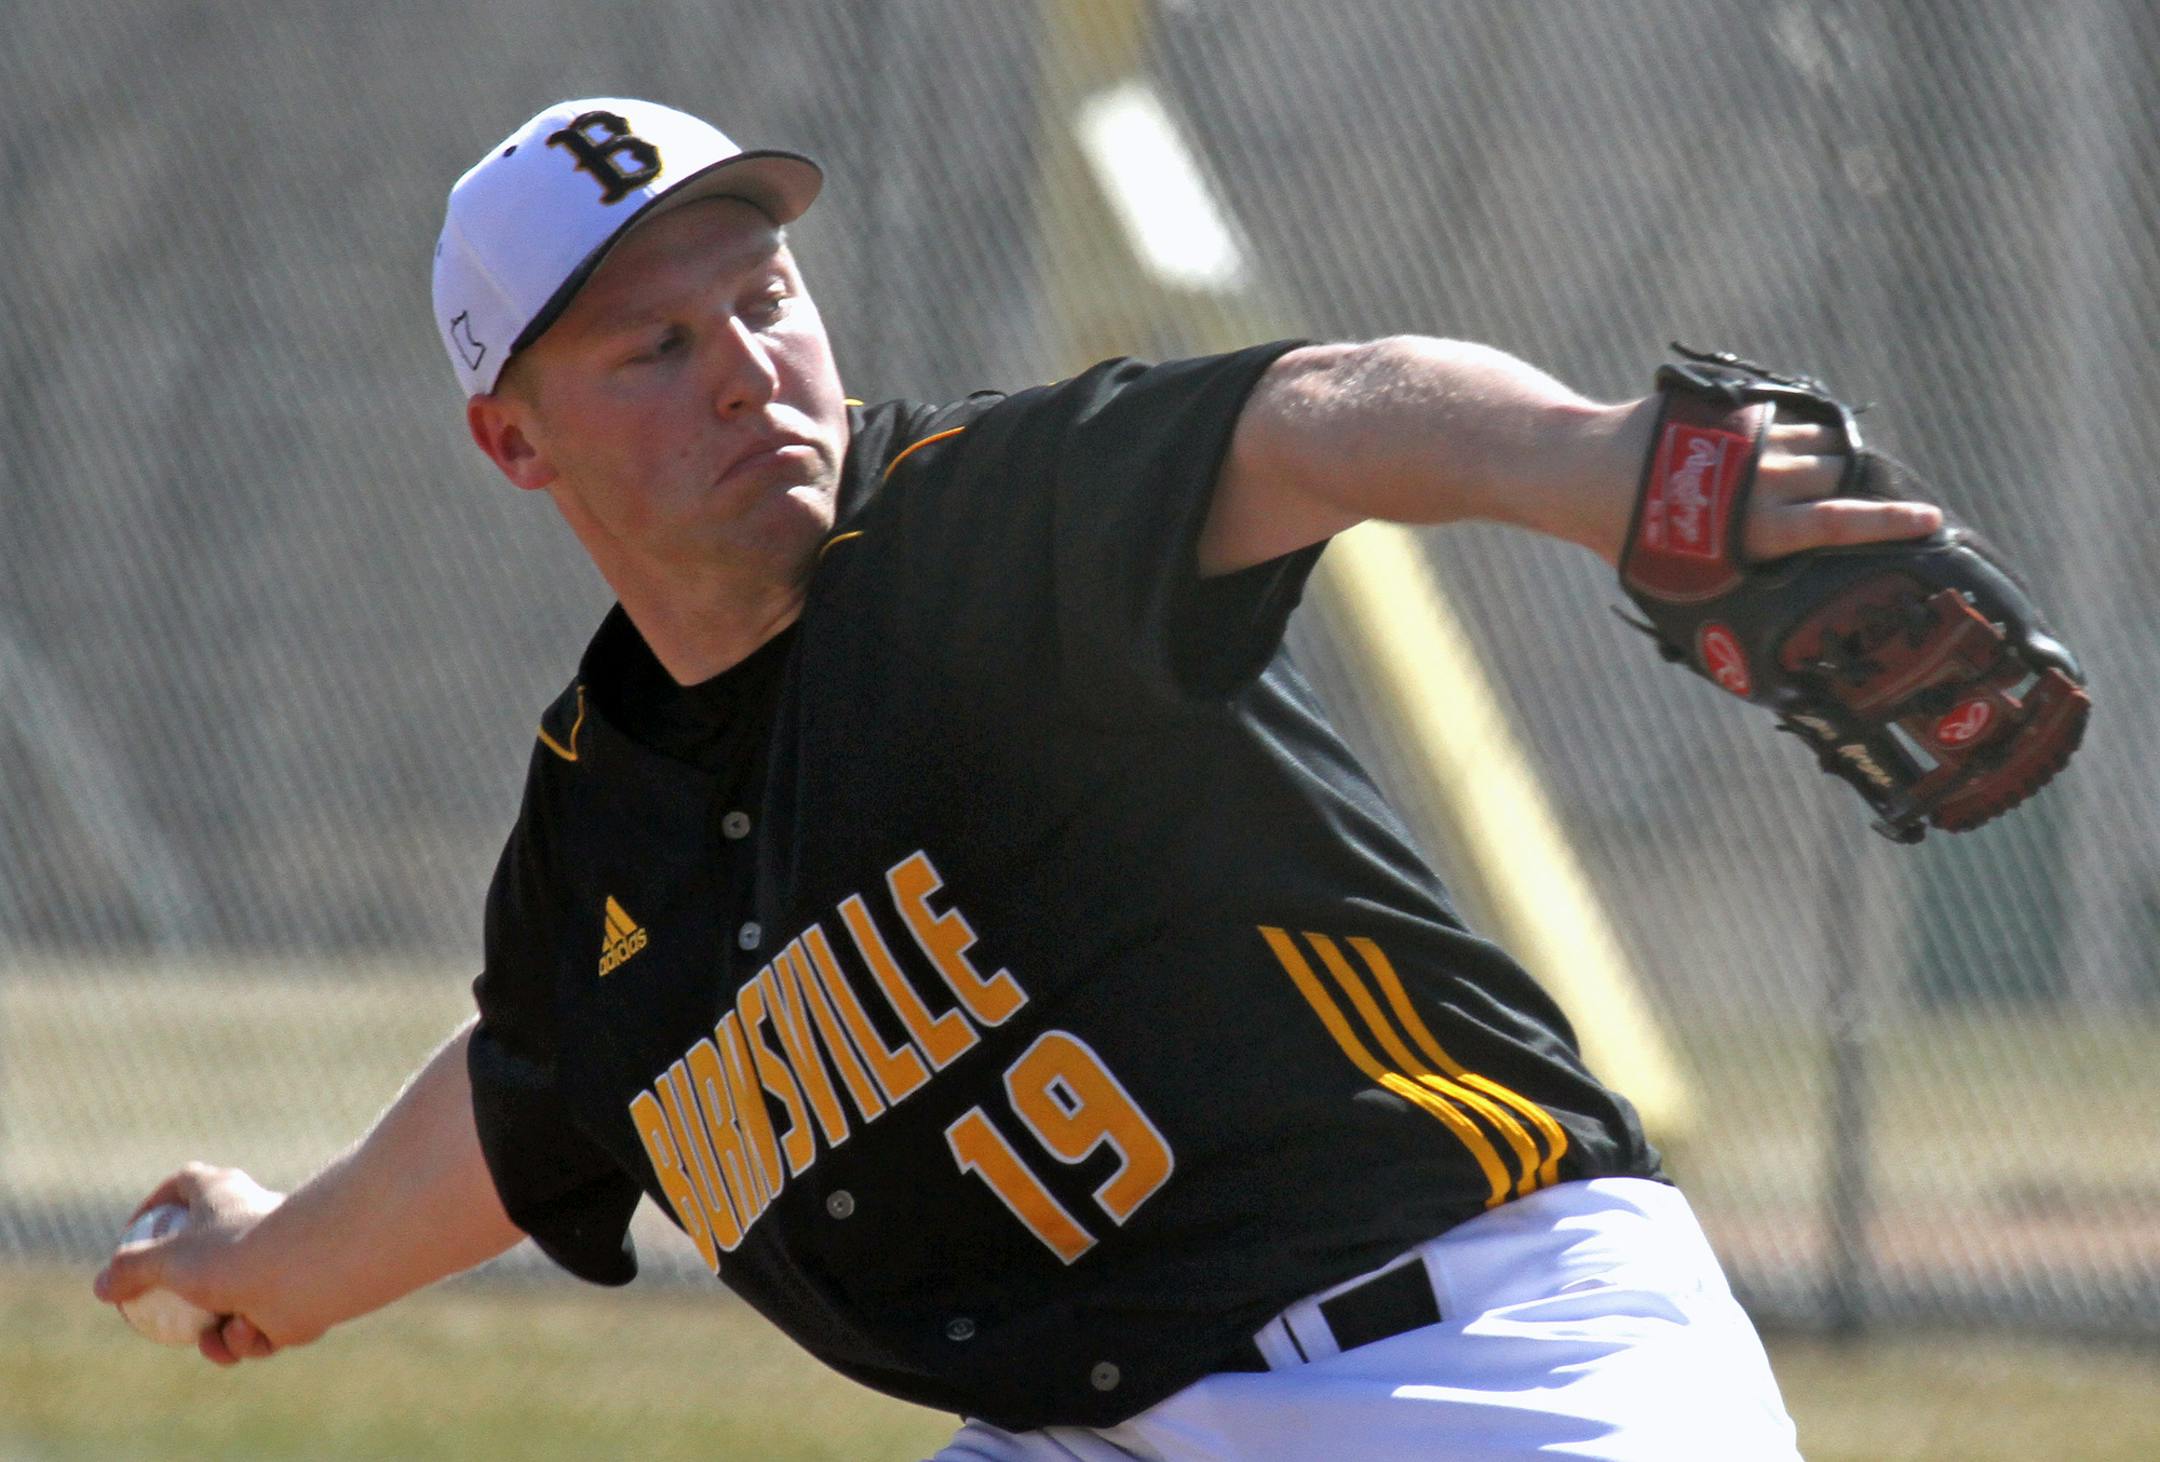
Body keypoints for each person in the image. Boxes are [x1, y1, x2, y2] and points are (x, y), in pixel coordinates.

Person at [97, 97, 1941, 1459]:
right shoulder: (604, 824)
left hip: (1470, 1360)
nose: (749, 371)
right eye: (658, 347)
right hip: (1085, 1427)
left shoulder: (977, 532)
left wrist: (1601, 461)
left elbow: (1318, 414)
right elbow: (537, 1094)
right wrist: (281, 1261)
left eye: (764, 297)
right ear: (518, 440)